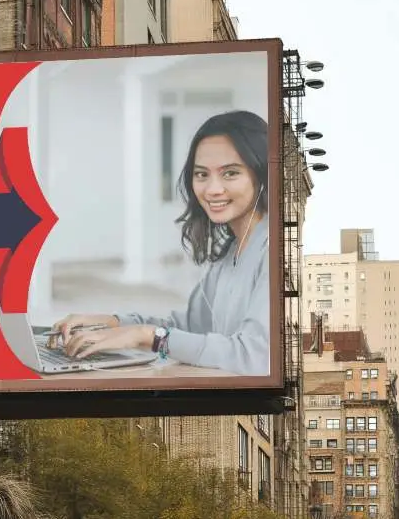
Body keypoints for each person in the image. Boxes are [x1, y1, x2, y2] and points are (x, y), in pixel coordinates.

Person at [48, 110, 270, 377]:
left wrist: (147, 336)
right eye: (201, 174)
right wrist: (112, 323)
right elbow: (188, 328)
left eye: (230, 173)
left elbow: (256, 355)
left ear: (260, 175)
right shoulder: (231, 253)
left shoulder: (273, 251)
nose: (212, 189)